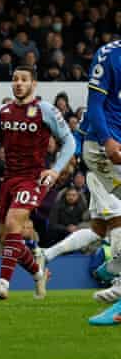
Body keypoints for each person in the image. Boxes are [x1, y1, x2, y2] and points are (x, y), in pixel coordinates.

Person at [0, 67, 73, 301]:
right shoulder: (3, 111)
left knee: (15, 223)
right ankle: (38, 272)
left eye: (24, 80)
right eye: (15, 79)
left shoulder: (45, 110)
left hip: (33, 178)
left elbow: (69, 142)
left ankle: (4, 283)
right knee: (7, 237)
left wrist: (55, 171)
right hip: (9, 178)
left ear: (34, 84)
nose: (18, 83)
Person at [74, 41, 121, 325]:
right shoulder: (110, 55)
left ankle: (115, 268)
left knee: (104, 224)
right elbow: (94, 105)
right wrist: (107, 140)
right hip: (104, 146)